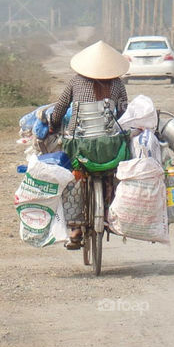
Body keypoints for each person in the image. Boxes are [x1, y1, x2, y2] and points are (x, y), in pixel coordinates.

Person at [45, 40, 130, 250]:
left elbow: (60, 108)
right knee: (113, 175)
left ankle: (74, 229)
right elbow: (124, 113)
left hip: (79, 147)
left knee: (73, 177)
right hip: (110, 148)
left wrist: (53, 125)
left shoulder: (75, 82)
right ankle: (112, 212)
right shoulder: (117, 83)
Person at [47, 40, 129, 134]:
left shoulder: (76, 80)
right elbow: (123, 111)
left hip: (76, 137)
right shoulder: (117, 83)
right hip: (107, 138)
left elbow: (61, 106)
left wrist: (53, 125)